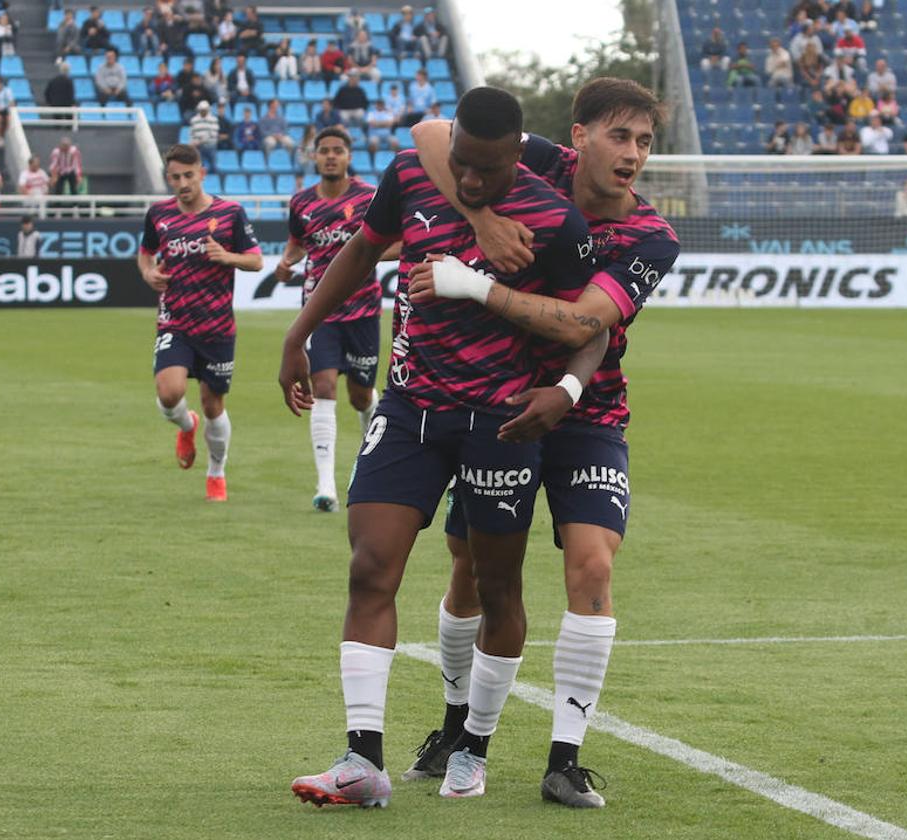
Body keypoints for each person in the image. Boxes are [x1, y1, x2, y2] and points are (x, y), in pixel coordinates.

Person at [282, 86, 602, 809]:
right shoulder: (412, 172)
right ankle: (362, 759)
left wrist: (568, 392)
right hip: (408, 408)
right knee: (370, 568)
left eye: (487, 171)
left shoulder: (554, 220)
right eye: (462, 162)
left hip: (501, 422)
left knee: (497, 589)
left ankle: (474, 745)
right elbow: (363, 251)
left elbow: (593, 326)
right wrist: (298, 332)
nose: (471, 180)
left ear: (515, 156)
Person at [405, 77, 680, 810]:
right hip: (495, 403)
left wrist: (563, 387)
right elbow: (431, 132)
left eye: (645, 142)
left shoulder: (652, 237)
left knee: (592, 566)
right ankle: (454, 726)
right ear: (580, 136)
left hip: (587, 411)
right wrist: (482, 219)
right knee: (471, 570)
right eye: (620, 137)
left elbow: (581, 326)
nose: (633, 155)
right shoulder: (541, 163)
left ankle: (565, 758)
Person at [137, 143, 262, 501]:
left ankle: (216, 472)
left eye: (188, 175)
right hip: (174, 323)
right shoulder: (158, 214)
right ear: (168, 178)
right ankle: (185, 424)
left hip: (217, 326)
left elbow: (255, 261)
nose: (182, 183)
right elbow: (145, 254)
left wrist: (227, 256)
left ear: (202, 174)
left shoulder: (230, 213)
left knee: (213, 406)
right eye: (175, 177)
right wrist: (148, 274)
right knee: (168, 393)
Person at [276, 126, 387, 510]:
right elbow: (296, 242)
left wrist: (368, 257)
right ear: (315, 157)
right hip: (319, 311)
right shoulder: (301, 202)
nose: (330, 156)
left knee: (360, 396)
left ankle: (371, 445)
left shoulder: (370, 198)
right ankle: (326, 487)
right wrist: (286, 262)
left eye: (337, 150)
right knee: (323, 386)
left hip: (363, 311)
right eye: (324, 151)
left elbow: (397, 239)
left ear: (348, 156)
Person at [190, 99, 218, 172]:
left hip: (210, 145)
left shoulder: (213, 119)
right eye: (202, 110)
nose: (203, 111)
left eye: (205, 110)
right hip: (199, 147)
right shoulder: (194, 120)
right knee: (199, 166)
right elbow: (192, 134)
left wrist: (200, 141)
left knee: (213, 166)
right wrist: (193, 142)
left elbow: (213, 134)